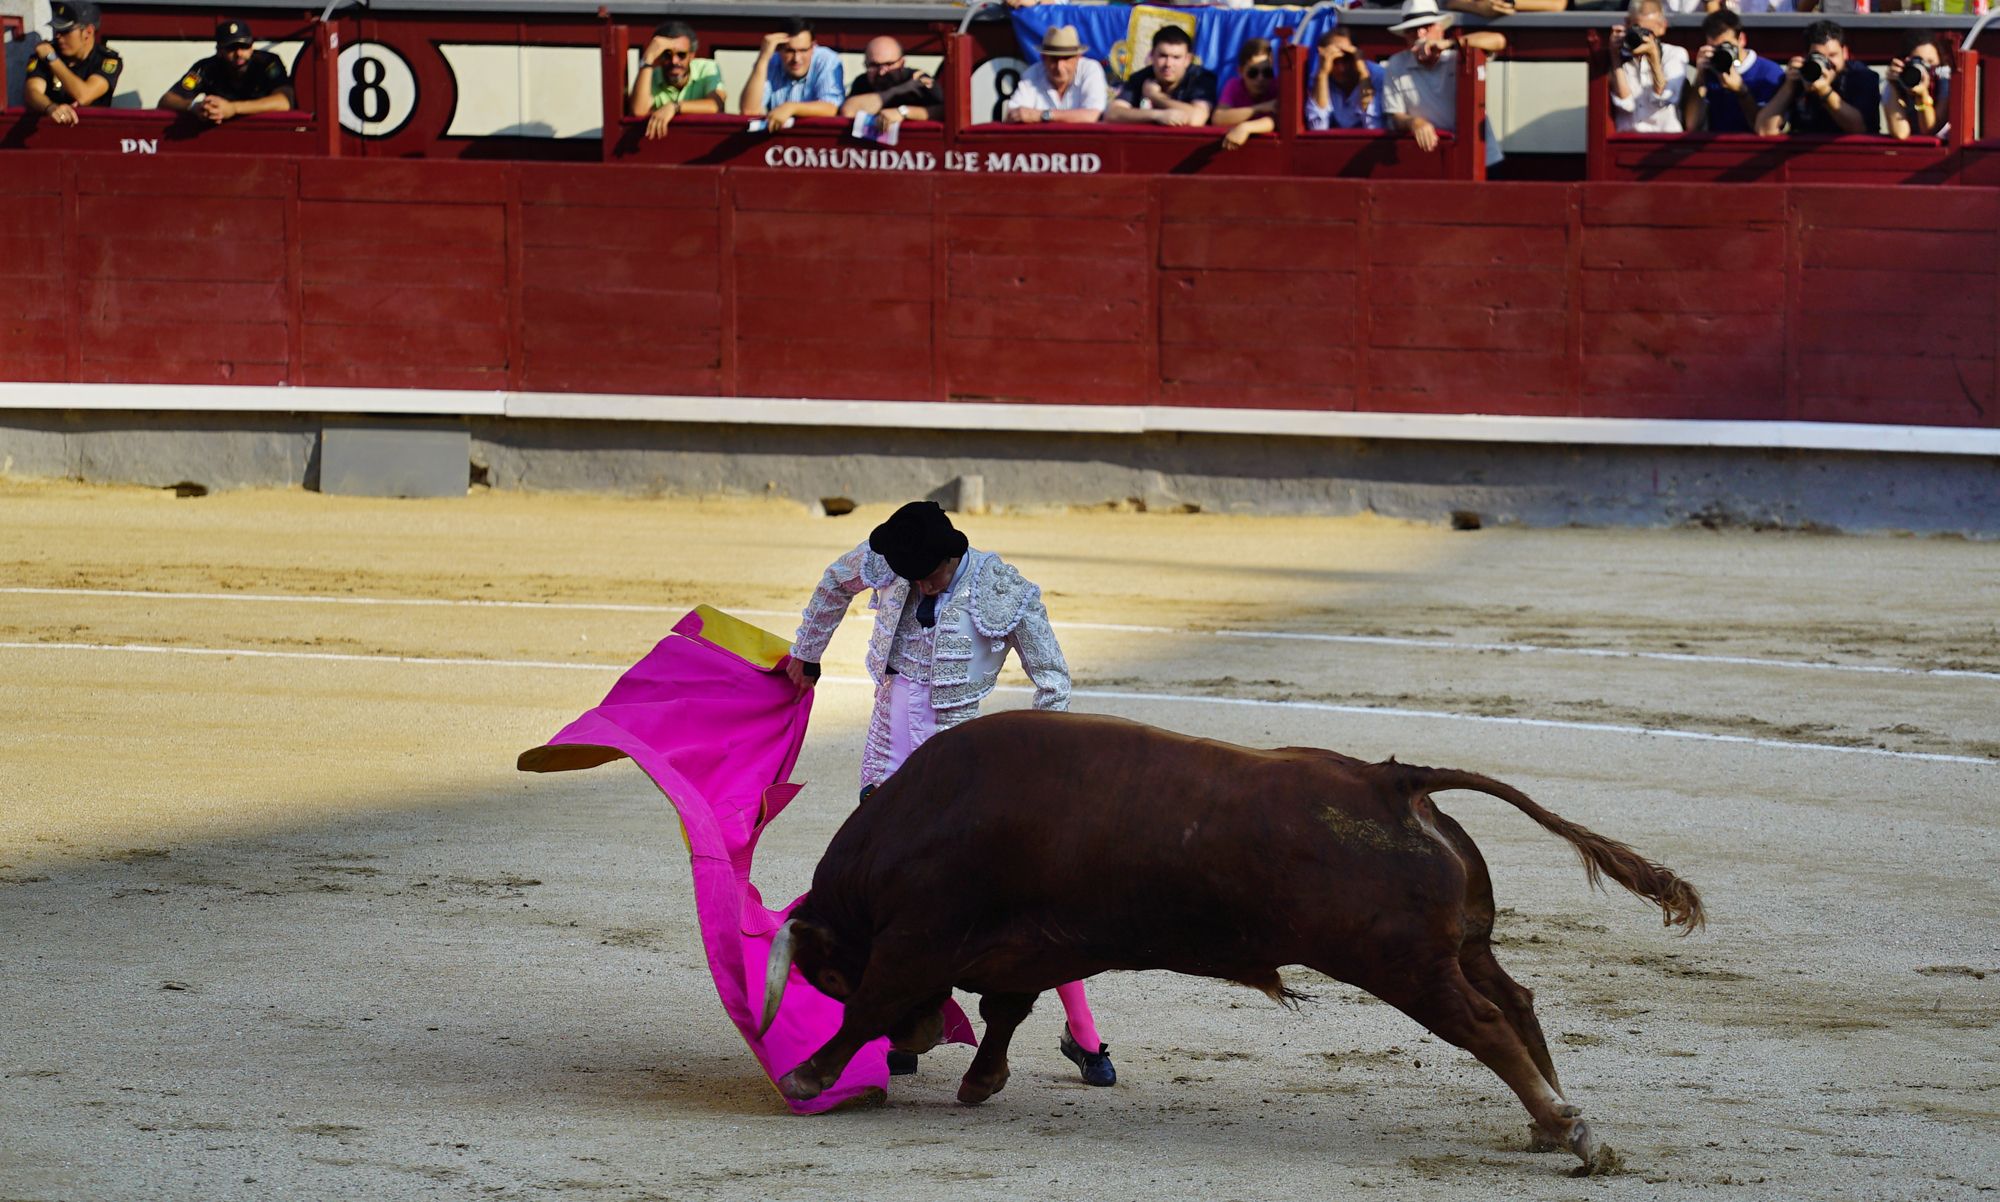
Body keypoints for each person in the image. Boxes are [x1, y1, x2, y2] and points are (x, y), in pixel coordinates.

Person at [785, 501, 1117, 1089]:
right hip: (887, 746)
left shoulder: (1001, 589)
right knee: (885, 894)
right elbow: (836, 583)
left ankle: (1084, 1035)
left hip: (958, 764)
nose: (915, 584)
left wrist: (1037, 764)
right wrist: (807, 653)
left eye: (927, 574)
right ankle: (900, 1029)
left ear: (951, 555)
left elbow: (1054, 681)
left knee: (1028, 902)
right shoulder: (896, 560)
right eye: (908, 575)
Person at [1380, 0, 1506, 166]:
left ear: (1440, 29)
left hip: (1481, 157)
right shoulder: (1397, 64)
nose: (1420, 34)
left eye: (1427, 27)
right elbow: (1395, 115)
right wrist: (1415, 123)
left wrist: (1450, 44)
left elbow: (1498, 41)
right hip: (1433, 158)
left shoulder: (1457, 56)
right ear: (1406, 36)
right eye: (1412, 30)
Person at [1755, 19, 1880, 137]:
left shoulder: (1862, 77)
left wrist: (1825, 92)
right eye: (1818, 56)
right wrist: (1788, 86)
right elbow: (1763, 129)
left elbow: (1859, 129)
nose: (1826, 63)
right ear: (1806, 56)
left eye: (1832, 55)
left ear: (1845, 53)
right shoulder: (1799, 79)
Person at [158, 20, 294, 123]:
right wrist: (195, 107)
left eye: (244, 46)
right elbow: (167, 100)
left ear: (252, 46)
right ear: (219, 51)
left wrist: (232, 108)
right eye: (231, 48)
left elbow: (284, 101)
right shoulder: (204, 68)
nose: (239, 53)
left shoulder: (267, 63)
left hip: (265, 135)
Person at [1682, 9, 1784, 134]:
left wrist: (1741, 91)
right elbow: (1692, 125)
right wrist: (1700, 77)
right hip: (1716, 151)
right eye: (1715, 47)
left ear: (1741, 39)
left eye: (1726, 46)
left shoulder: (1770, 73)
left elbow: (1763, 128)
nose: (1721, 52)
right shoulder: (1710, 70)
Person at [23, 0, 120, 126]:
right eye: (56, 31)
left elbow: (84, 96)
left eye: (65, 31)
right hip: (48, 135)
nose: (58, 37)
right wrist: (50, 107)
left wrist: (53, 60)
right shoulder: (45, 54)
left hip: (93, 134)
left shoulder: (105, 60)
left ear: (88, 32)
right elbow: (32, 92)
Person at [627, 20, 725, 142]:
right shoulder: (651, 76)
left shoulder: (707, 68)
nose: (674, 61)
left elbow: (716, 104)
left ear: (692, 55)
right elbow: (638, 110)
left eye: (681, 54)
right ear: (660, 56)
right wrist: (648, 58)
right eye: (667, 55)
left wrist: (674, 107)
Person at [742, 17, 844, 130]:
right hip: (777, 143)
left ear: (814, 47)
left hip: (818, 142)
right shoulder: (771, 61)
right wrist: (763, 58)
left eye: (803, 50)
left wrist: (791, 108)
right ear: (779, 49)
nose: (796, 58)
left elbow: (831, 108)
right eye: (789, 51)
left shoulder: (827, 59)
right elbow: (749, 110)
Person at [1106, 25, 1217, 127]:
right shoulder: (1141, 77)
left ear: (1187, 59)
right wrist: (1157, 115)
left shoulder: (1201, 78)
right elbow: (1112, 114)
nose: (1168, 64)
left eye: (1176, 57)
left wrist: (1155, 96)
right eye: (1163, 56)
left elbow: (1197, 119)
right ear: (1152, 55)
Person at [1609, 0, 1689, 134]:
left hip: (1666, 141)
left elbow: (1663, 98)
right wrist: (1615, 58)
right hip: (1627, 141)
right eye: (1637, 29)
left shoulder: (1675, 54)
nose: (1643, 36)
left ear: (1662, 27)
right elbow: (1626, 104)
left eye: (1648, 31)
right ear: (1627, 23)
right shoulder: (1618, 54)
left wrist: (1654, 58)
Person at [1003, 25, 1108, 123]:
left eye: (1066, 58)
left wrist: (1042, 115)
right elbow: (1012, 115)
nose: (1059, 67)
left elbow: (1093, 115)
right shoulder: (1031, 75)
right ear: (1043, 58)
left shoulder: (1090, 70)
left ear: (1078, 57)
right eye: (1054, 59)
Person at [839, 36, 944, 135]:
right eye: (874, 66)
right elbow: (848, 111)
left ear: (902, 63)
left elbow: (942, 111)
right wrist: (898, 91)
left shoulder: (917, 79)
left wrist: (902, 112)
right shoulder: (862, 81)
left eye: (888, 64)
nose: (881, 72)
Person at [1306, 29, 1384, 132]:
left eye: (1347, 58)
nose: (1341, 68)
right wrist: (1323, 74)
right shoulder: (1321, 76)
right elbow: (1318, 128)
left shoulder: (1378, 75)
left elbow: (1374, 126)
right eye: (1335, 60)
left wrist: (1363, 74)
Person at [1214, 37, 1279, 150]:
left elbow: (1278, 120)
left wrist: (1246, 127)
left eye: (1267, 72)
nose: (1260, 78)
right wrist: (1259, 108)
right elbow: (1218, 118)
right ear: (1241, 71)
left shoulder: (1278, 86)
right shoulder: (1233, 86)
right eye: (1253, 73)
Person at [1883, 30, 1948, 142]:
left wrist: (1922, 95)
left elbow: (1929, 131)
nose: (1924, 68)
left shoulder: (1944, 81)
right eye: (1919, 61)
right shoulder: (1895, 83)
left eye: (1930, 62)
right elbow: (1901, 133)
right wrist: (1893, 86)